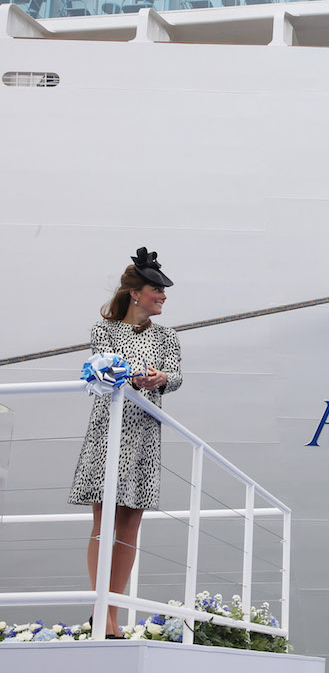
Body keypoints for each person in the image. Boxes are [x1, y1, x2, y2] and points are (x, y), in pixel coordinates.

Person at [68, 247, 182, 638]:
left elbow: (177, 375)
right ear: (136, 292)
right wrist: (132, 378)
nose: (163, 296)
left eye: (164, 291)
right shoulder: (105, 331)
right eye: (157, 289)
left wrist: (160, 378)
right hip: (110, 433)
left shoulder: (168, 337)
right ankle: (103, 612)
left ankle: (114, 610)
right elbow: (98, 373)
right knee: (105, 521)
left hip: (146, 435)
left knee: (131, 523)